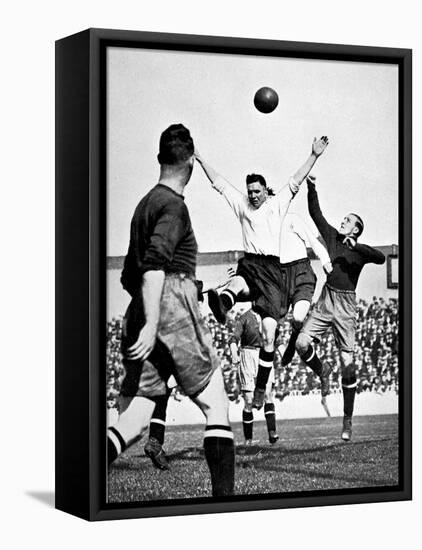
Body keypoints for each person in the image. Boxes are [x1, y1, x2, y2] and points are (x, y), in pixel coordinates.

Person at [107, 124, 235, 497]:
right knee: (216, 404)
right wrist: (154, 322)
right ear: (191, 162)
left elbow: (130, 275)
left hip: (140, 308)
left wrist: (144, 319)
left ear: (160, 159)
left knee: (134, 419)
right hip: (170, 306)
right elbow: (153, 267)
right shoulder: (175, 205)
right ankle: (224, 508)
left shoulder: (143, 205)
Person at [195, 136, 329, 409]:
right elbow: (219, 184)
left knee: (269, 333)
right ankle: (222, 304)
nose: (253, 195)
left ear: (265, 191)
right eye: (250, 191)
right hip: (252, 263)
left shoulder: (277, 204)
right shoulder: (242, 204)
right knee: (239, 280)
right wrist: (199, 158)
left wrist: (313, 155)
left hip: (273, 272)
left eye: (257, 191)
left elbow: (296, 179)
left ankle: (259, 389)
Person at [295, 175, 386, 441]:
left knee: (348, 363)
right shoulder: (333, 238)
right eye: (344, 219)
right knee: (301, 343)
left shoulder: (359, 250)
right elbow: (315, 213)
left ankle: (347, 420)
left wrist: (357, 247)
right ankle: (322, 371)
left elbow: (380, 258)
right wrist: (312, 187)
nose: (343, 222)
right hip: (326, 300)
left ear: (356, 229)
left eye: (348, 221)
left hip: (346, 306)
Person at [229, 308, 279, 445]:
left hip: (265, 354)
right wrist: (234, 353)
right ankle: (248, 439)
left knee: (268, 394)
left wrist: (284, 354)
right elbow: (234, 338)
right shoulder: (245, 317)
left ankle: (272, 432)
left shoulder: (269, 317)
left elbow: (277, 339)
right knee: (249, 400)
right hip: (248, 354)